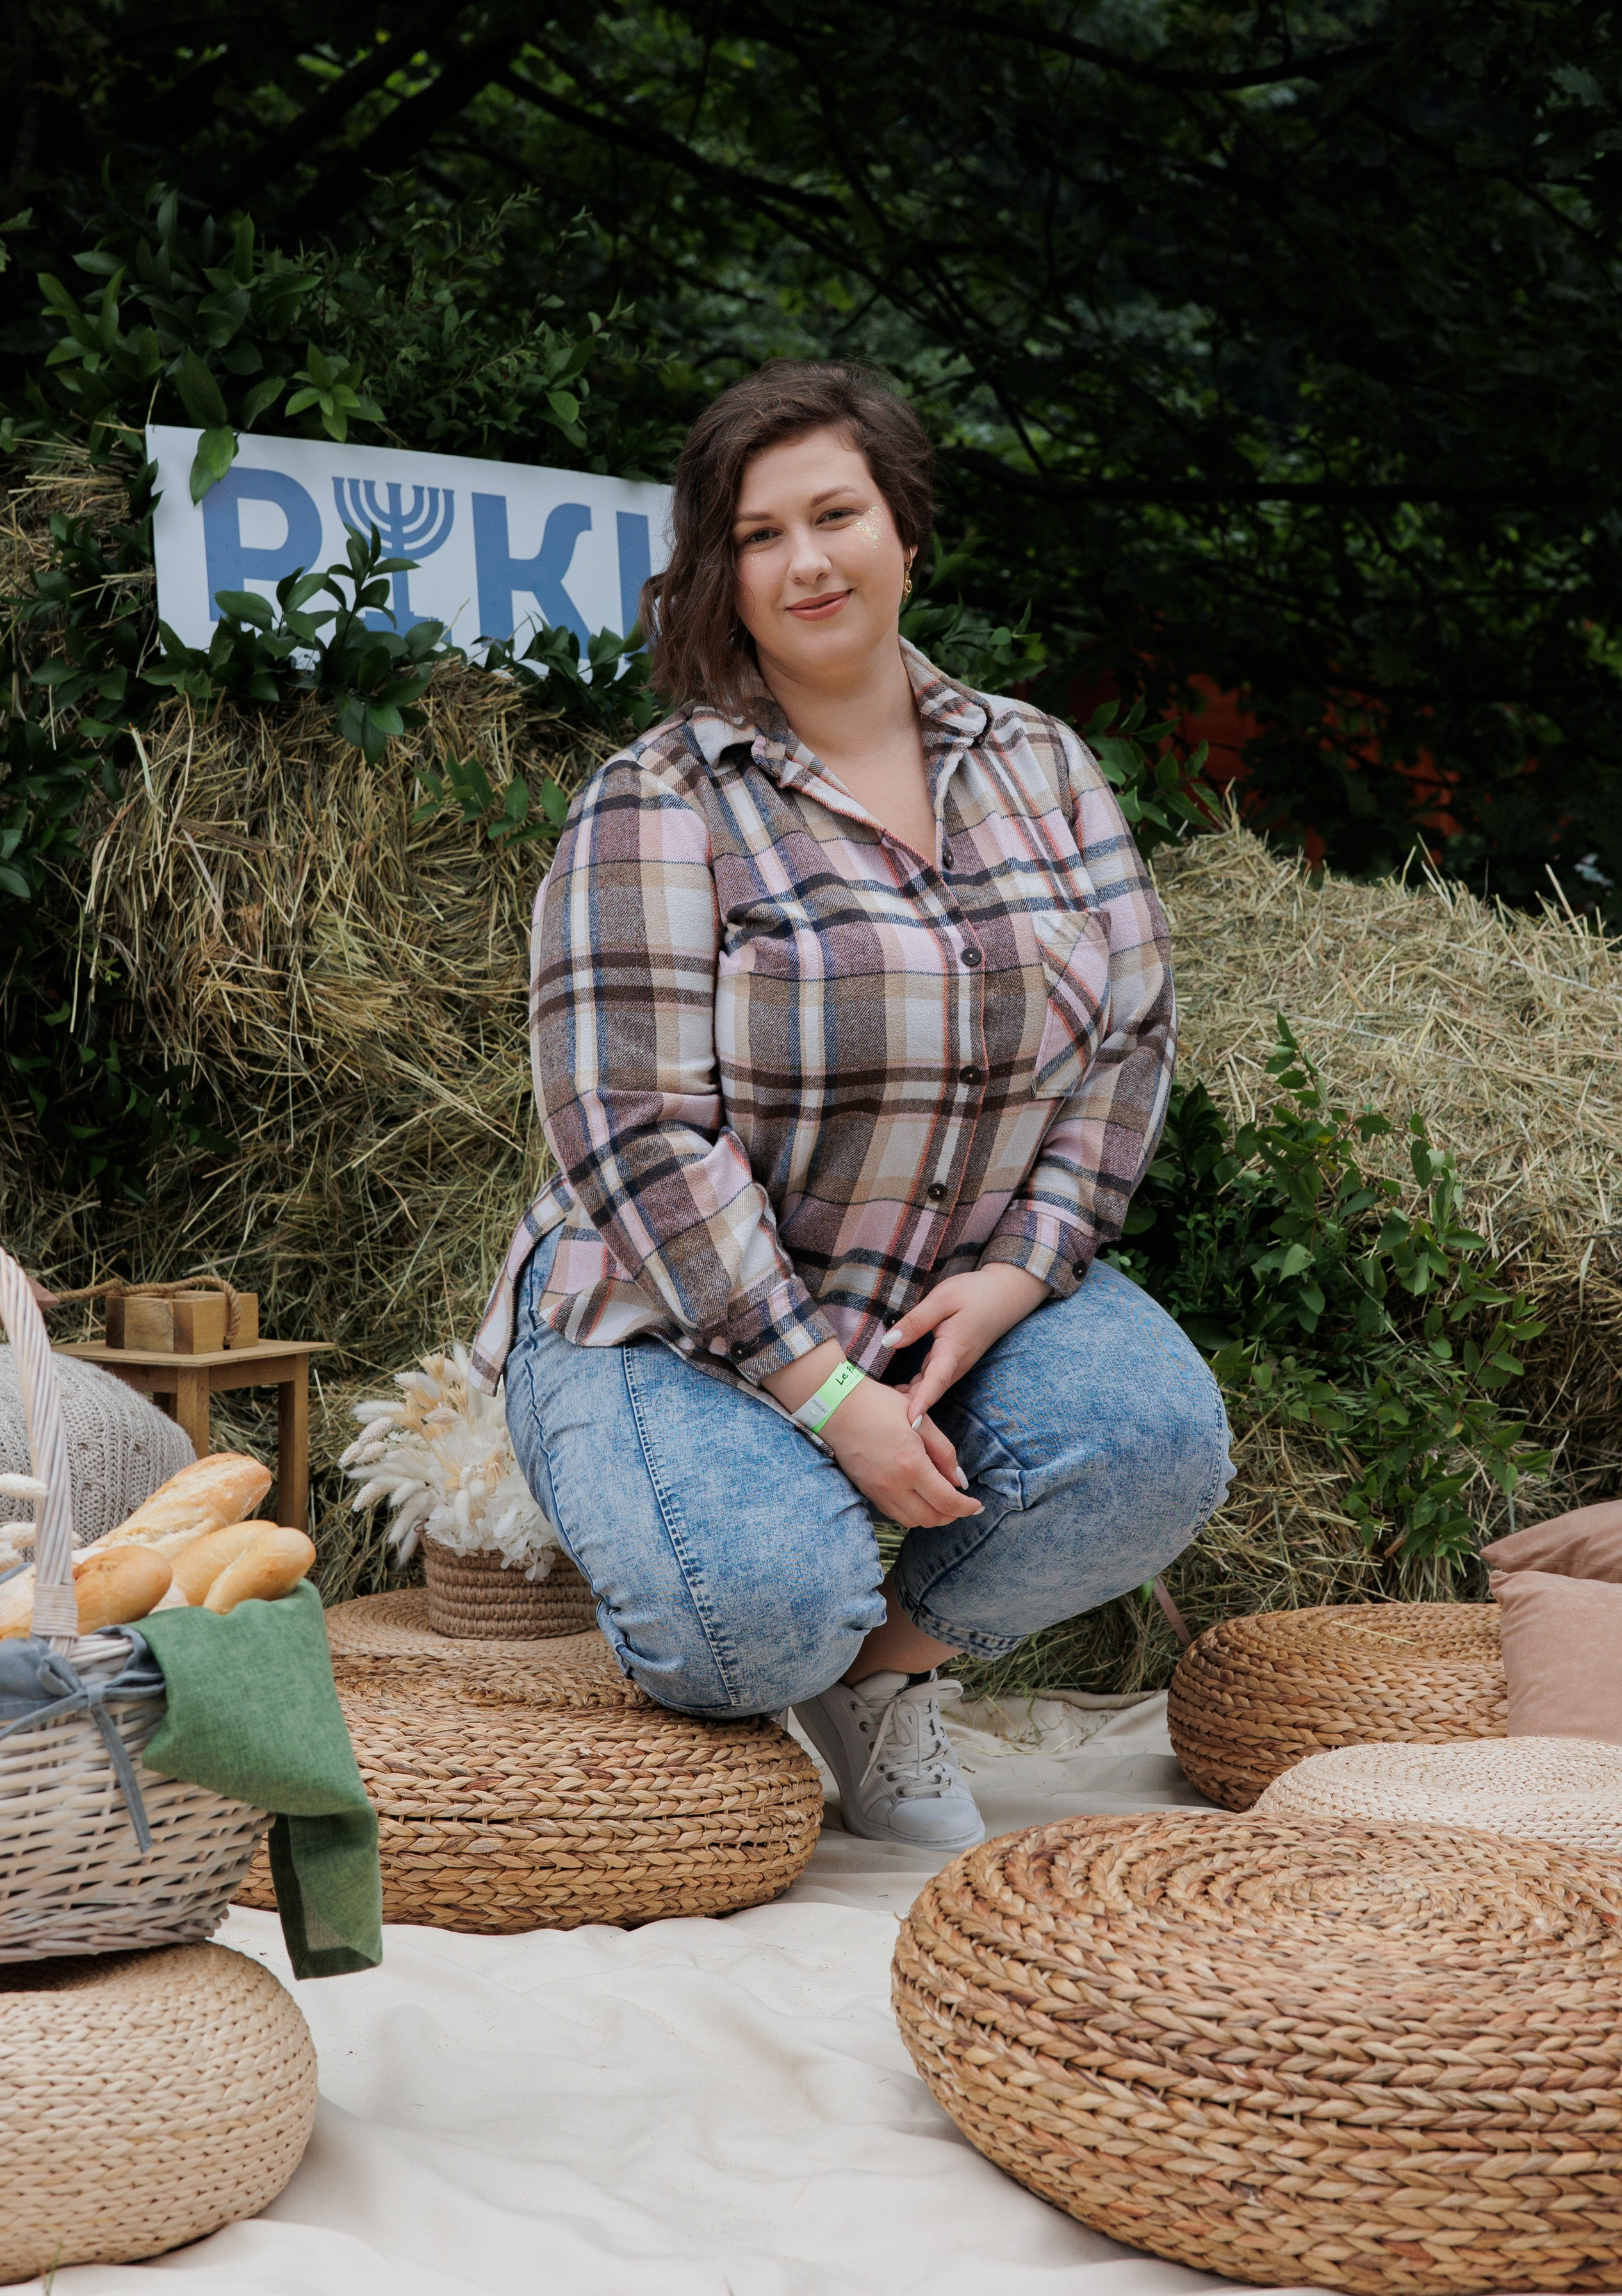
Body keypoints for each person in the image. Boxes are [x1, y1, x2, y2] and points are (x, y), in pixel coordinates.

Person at [473, 360, 1231, 1851]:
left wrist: (1020, 1271)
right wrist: (825, 1396)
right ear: (719, 573)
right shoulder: (659, 797)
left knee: (1155, 1444)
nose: (805, 559)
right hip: (676, 1316)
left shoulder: (1039, 764)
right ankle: (781, 1620)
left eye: (835, 513)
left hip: (935, 1285)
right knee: (749, 1613)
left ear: (903, 528)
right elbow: (630, 1130)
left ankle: (884, 1673)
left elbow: (1126, 1042)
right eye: (759, 535)